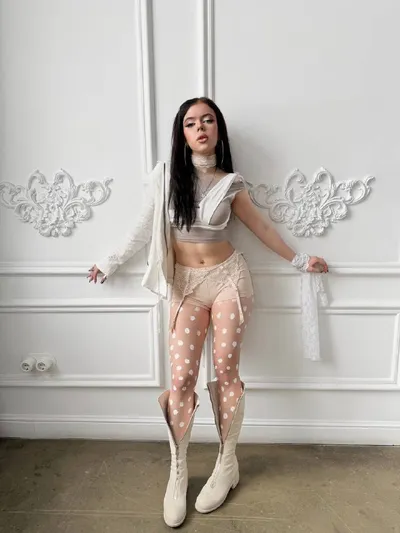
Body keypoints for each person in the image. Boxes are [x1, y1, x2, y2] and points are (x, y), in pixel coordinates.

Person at [88, 97, 328, 528]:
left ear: (218, 129)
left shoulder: (231, 183)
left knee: (225, 370)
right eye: (191, 123)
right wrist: (109, 262)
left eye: (208, 121)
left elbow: (262, 227)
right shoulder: (166, 178)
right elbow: (142, 227)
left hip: (228, 280)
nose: (200, 128)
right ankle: (178, 470)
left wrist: (300, 259)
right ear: (181, 133)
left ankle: (226, 463)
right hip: (185, 286)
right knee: (181, 378)